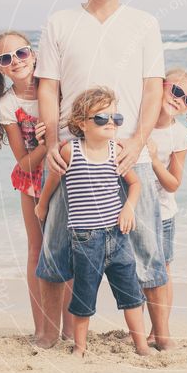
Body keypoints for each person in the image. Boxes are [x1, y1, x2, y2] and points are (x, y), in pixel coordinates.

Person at [34, 0, 172, 350]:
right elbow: (47, 87)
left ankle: (161, 337)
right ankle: (49, 337)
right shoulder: (59, 22)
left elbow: (153, 89)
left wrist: (138, 140)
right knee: (58, 248)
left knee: (148, 251)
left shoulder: (144, 24)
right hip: (71, 155)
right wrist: (56, 141)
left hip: (128, 153)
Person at [35, 87, 150, 357]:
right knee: (84, 295)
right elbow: (53, 181)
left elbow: (134, 184)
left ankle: (142, 345)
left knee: (131, 293)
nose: (111, 123)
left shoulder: (117, 151)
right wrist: (41, 205)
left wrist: (128, 209)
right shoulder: (69, 151)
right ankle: (80, 348)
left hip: (118, 234)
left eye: (115, 118)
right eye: (101, 118)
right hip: (84, 239)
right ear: (81, 123)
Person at [0, 31, 67, 340]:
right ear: (0, 68)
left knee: (67, 250)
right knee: (37, 250)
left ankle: (69, 330)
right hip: (32, 182)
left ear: (34, 55)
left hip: (65, 175)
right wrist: (44, 144)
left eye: (21, 53)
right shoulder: (7, 105)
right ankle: (42, 327)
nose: (15, 61)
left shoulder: (56, 89)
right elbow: (25, 163)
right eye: (6, 58)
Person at [145, 68, 187, 343]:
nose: (179, 99)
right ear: (161, 86)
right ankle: (140, 329)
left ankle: (159, 330)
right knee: (135, 272)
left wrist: (154, 160)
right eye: (176, 91)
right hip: (131, 209)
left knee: (163, 270)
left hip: (162, 214)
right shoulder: (136, 122)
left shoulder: (180, 136)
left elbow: (173, 184)